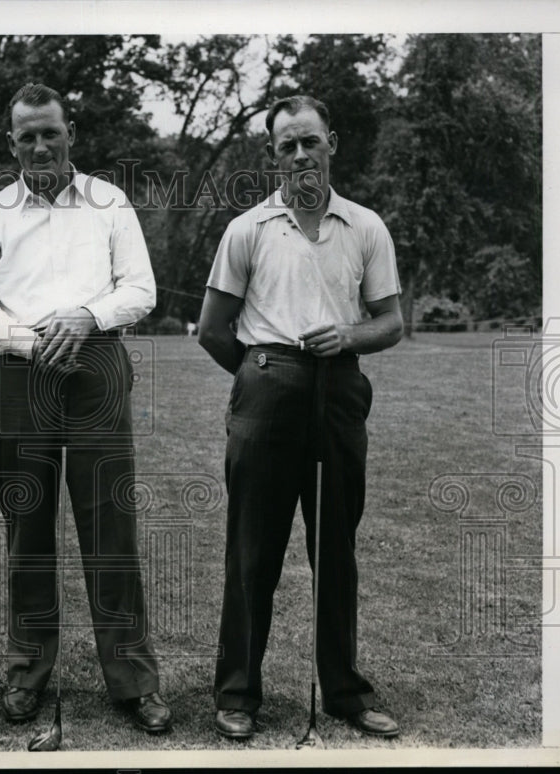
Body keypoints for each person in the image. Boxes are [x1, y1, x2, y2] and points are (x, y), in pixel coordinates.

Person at [0, 83, 171, 734]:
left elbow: (140, 288)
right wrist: (29, 339)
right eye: (27, 136)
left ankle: (133, 680)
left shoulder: (109, 202)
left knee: (111, 532)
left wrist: (85, 316)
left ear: (69, 131)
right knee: (28, 531)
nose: (40, 145)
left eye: (51, 132)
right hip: (18, 375)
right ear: (11, 142)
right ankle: (26, 673)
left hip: (97, 366)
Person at [198, 95, 403, 740]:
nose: (300, 155)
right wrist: (264, 375)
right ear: (272, 155)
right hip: (265, 390)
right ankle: (237, 693)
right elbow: (211, 329)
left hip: (339, 391)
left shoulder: (365, 225)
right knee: (252, 551)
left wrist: (346, 338)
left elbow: (392, 322)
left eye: (309, 142)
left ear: (332, 144)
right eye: (286, 145)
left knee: (335, 549)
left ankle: (343, 691)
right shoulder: (248, 229)